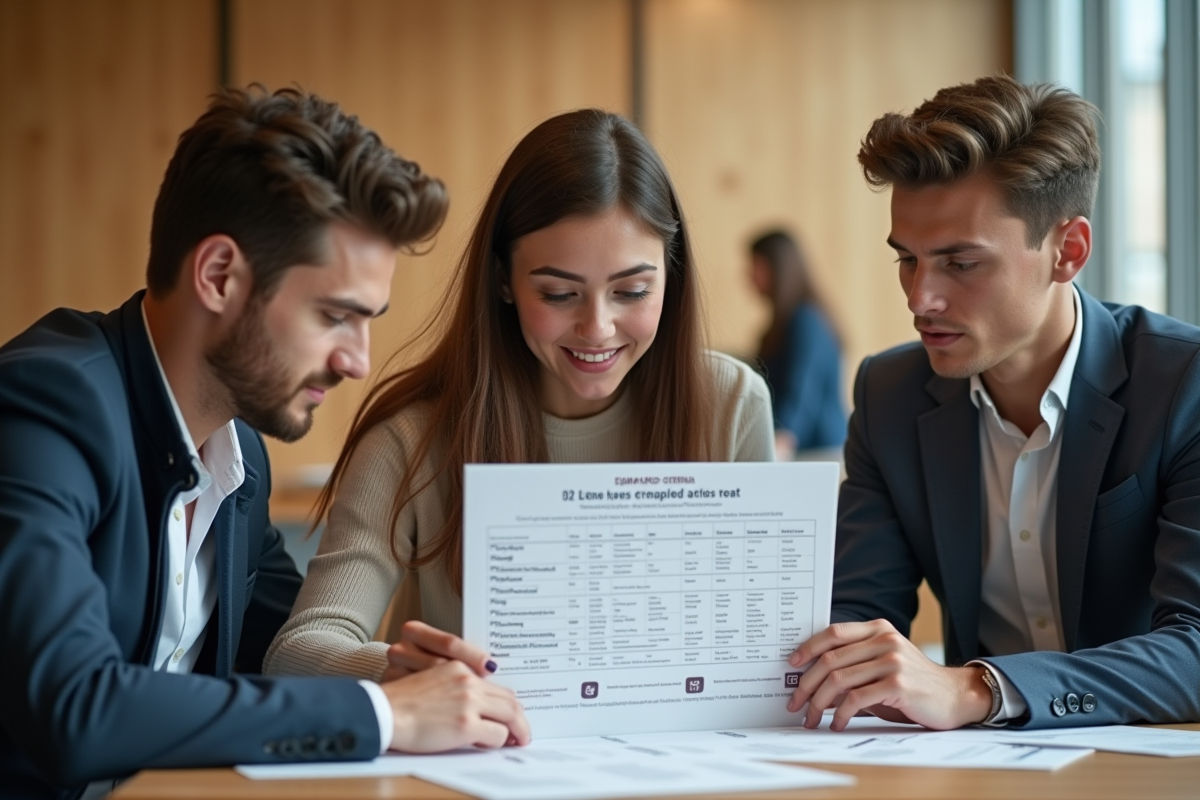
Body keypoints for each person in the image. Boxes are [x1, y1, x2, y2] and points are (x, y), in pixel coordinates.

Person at [0, 86, 529, 800]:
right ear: (219, 276)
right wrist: (382, 712)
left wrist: (392, 674)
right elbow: (73, 706)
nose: (358, 361)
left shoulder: (238, 452)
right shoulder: (47, 406)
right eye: (335, 315)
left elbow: (287, 659)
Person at [263, 108, 774, 682]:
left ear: (670, 278)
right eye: (559, 294)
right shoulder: (411, 438)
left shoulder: (732, 404)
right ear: (504, 280)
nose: (598, 327)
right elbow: (300, 650)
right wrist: (418, 676)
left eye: (632, 291)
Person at [785, 74, 1200, 732]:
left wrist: (980, 689)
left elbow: (1196, 647)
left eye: (960, 263)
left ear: (1068, 251)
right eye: (908, 260)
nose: (920, 299)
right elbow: (858, 620)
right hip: (978, 773)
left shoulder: (1183, 385)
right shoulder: (888, 396)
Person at [748, 229, 847, 460]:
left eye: (756, 266)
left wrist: (781, 441)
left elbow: (801, 390)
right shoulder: (783, 324)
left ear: (777, 268)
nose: (749, 275)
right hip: (802, 449)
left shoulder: (806, 322)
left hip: (819, 452)